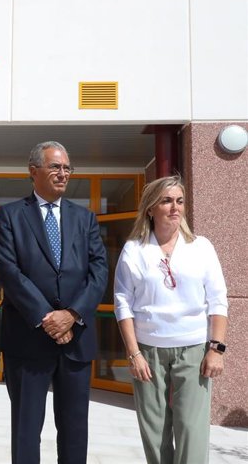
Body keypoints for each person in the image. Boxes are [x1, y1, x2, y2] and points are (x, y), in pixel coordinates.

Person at [0, 141, 108, 464]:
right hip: (27, 341)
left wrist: (72, 315)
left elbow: (99, 272)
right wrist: (48, 318)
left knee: (74, 430)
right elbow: (9, 272)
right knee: (26, 431)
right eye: (55, 167)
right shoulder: (10, 216)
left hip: (76, 342)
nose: (63, 173)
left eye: (67, 168)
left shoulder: (85, 219)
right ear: (33, 172)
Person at [113, 175, 228, 464]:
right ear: (151, 208)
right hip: (148, 350)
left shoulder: (201, 247)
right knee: (154, 430)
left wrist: (216, 349)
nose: (174, 207)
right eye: (166, 201)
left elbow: (218, 300)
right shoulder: (134, 250)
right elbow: (123, 304)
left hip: (194, 349)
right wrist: (134, 354)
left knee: (191, 428)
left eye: (179, 201)